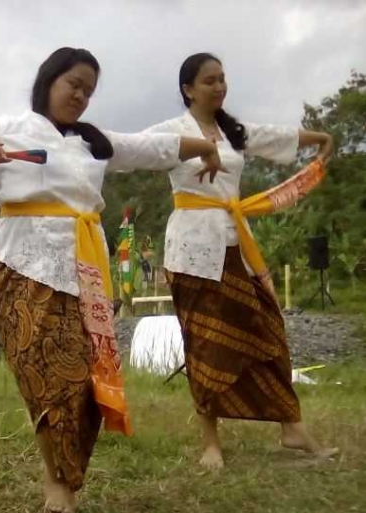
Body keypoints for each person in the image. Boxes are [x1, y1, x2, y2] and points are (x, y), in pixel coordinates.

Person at [0, 47, 225, 513]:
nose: (81, 96)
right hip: (23, 265)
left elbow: (153, 149)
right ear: (49, 81)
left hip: (86, 271)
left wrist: (206, 146)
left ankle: (65, 471)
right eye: (73, 85)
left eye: (89, 90)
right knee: (48, 377)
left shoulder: (93, 141)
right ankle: (55, 478)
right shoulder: (9, 128)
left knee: (86, 383)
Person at [144, 52, 337, 470]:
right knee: (207, 343)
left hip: (236, 243)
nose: (219, 86)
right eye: (210, 80)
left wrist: (318, 139)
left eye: (222, 79)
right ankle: (210, 442)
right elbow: (130, 148)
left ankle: (291, 426)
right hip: (193, 250)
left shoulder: (233, 131)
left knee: (269, 329)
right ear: (188, 89)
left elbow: (275, 135)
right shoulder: (172, 132)